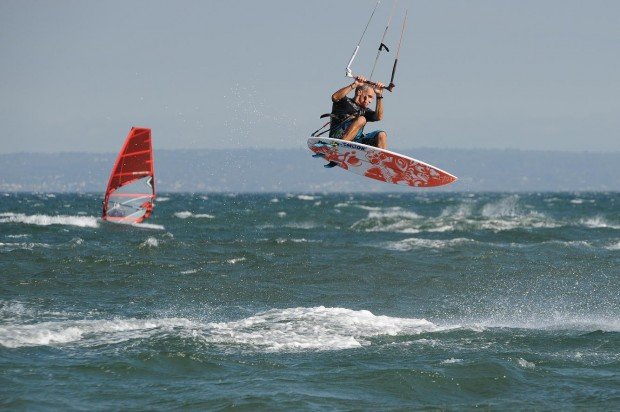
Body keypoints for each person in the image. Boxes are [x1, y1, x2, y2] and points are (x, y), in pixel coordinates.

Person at [329, 75, 387, 149]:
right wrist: (354, 84)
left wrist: (379, 95)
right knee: (362, 119)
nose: (370, 101)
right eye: (369, 96)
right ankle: (341, 145)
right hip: (337, 139)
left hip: (356, 143)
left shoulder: (365, 111)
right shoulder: (344, 101)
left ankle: (381, 158)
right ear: (359, 92)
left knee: (382, 135)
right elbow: (335, 97)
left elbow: (379, 117)